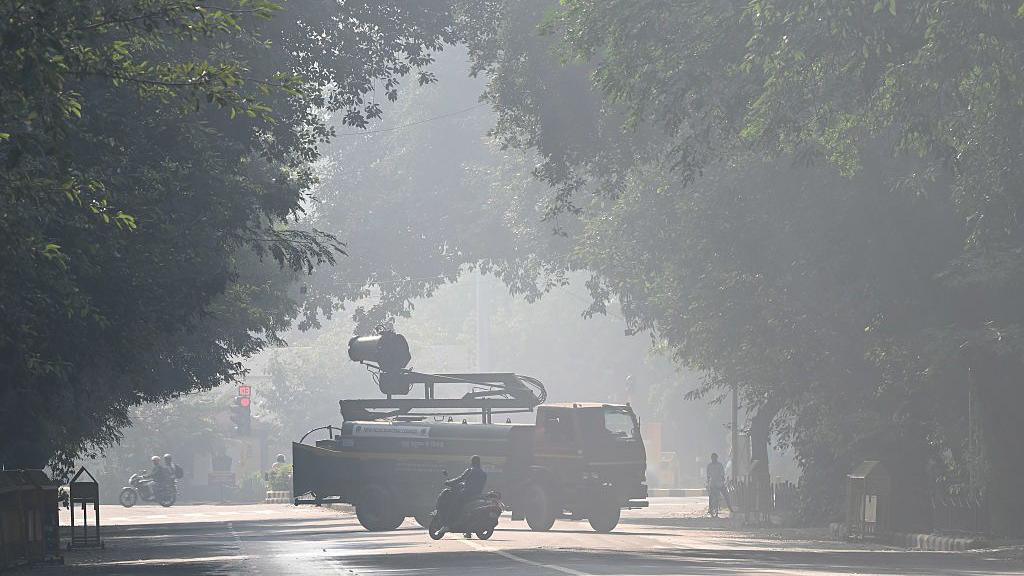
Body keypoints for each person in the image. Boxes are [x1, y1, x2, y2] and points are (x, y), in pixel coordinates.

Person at [446, 455, 487, 537]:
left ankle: (452, 522)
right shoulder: (483, 472)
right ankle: (467, 530)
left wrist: (449, 482)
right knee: (466, 509)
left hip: (467, 493)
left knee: (454, 505)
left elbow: (460, 479)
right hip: (478, 494)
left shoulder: (470, 470)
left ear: (472, 462)